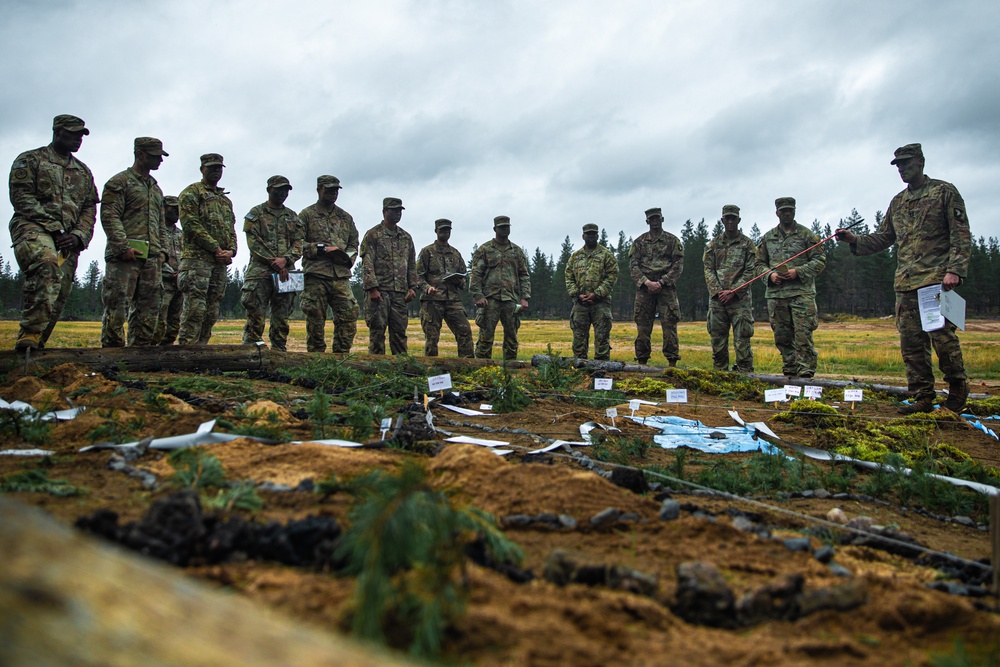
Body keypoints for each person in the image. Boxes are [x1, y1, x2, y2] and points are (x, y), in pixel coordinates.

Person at [836, 144, 971, 414]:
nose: (901, 168)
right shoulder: (897, 202)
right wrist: (855, 240)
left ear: (921, 162)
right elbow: (885, 237)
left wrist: (955, 269)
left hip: (936, 281)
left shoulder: (944, 192)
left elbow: (961, 233)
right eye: (897, 165)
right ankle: (922, 396)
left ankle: (957, 388)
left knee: (943, 340)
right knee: (911, 345)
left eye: (906, 162)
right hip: (906, 284)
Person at [8, 114, 99, 351]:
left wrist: (79, 235)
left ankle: (33, 349)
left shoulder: (83, 171)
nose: (78, 139)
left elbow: (89, 208)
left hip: (68, 240)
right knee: (46, 263)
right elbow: (21, 198)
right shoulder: (31, 160)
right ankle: (30, 331)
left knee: (58, 293)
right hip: (32, 227)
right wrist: (54, 228)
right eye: (73, 134)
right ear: (58, 132)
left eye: (81, 135)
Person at [99, 137, 169, 347]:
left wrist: (163, 252)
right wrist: (122, 247)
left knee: (149, 308)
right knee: (117, 304)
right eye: (155, 156)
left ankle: (139, 354)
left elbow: (160, 224)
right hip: (125, 257)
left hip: (152, 259)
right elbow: (110, 216)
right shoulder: (119, 182)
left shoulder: (155, 189)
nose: (160, 161)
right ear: (140, 154)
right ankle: (112, 354)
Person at [756, 197, 826, 379]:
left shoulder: (807, 235)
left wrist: (798, 272)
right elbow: (758, 264)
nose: (787, 213)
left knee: (803, 335)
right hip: (776, 296)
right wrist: (770, 275)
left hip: (801, 295)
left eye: (790, 210)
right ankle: (789, 371)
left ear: (794, 211)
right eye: (784, 211)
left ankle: (806, 374)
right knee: (782, 336)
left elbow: (820, 261)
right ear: (777, 213)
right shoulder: (768, 238)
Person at [176, 153, 237, 345]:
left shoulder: (225, 200)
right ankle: (187, 353)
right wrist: (215, 248)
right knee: (195, 309)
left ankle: (201, 352)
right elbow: (190, 224)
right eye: (211, 168)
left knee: (211, 312)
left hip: (219, 264)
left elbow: (231, 229)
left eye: (219, 168)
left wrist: (232, 251)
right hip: (197, 261)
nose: (216, 171)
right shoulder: (191, 193)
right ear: (202, 169)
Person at [240, 175, 303, 352]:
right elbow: (253, 242)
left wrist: (286, 260)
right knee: (255, 316)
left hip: (286, 275)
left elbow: (299, 243)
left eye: (285, 191)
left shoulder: (292, 216)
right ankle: (250, 355)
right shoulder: (256, 214)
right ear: (269, 190)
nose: (282, 194)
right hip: (260, 273)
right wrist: (275, 262)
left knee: (282, 318)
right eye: (278, 190)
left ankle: (278, 353)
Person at [299, 175, 359, 353]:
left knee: (349, 314)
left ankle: (340, 357)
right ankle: (316, 360)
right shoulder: (306, 215)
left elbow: (353, 243)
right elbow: (296, 243)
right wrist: (320, 249)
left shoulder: (345, 217)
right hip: (316, 275)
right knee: (315, 318)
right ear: (319, 190)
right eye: (329, 190)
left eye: (336, 190)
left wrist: (347, 258)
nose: (333, 194)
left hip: (340, 276)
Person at [704, 204, 758, 372]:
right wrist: (718, 292)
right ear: (722, 220)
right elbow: (708, 269)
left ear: (739, 220)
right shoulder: (713, 245)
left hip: (740, 301)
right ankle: (720, 374)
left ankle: (745, 374)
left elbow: (752, 269)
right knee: (717, 340)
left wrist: (734, 291)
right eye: (727, 218)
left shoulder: (747, 245)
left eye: (733, 218)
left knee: (742, 340)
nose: (730, 221)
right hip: (717, 301)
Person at [360, 197, 417, 355]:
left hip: (400, 294)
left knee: (399, 334)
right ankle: (377, 371)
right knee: (377, 333)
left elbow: (411, 264)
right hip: (380, 293)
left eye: (400, 210)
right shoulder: (373, 235)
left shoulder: (406, 237)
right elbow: (367, 263)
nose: (398, 213)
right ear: (385, 212)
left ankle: (401, 371)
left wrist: (412, 287)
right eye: (394, 210)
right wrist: (372, 288)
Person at [470, 216, 531, 360]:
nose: (505, 229)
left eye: (507, 227)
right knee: (485, 337)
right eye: (502, 227)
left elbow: (524, 275)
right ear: (495, 229)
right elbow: (476, 275)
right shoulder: (485, 250)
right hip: (490, 300)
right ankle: (481, 371)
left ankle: (510, 371)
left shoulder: (516, 251)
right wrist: (478, 296)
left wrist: (524, 298)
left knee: (512, 338)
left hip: (511, 300)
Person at [629, 207, 683, 366]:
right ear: (647, 221)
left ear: (662, 219)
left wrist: (662, 282)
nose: (655, 222)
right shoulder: (639, 242)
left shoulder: (673, 241)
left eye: (657, 218)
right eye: (652, 219)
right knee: (643, 328)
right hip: (645, 289)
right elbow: (633, 266)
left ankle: (672, 362)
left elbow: (678, 265)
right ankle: (642, 362)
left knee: (669, 326)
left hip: (665, 289)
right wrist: (647, 282)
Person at [415, 218, 474, 357]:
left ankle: (467, 368)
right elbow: (417, 276)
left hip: (453, 300)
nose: (445, 233)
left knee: (465, 332)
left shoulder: (455, 254)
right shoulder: (427, 252)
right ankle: (432, 370)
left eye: (448, 230)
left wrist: (459, 281)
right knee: (432, 337)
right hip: (432, 300)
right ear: (436, 231)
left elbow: (463, 279)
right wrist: (427, 288)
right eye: (442, 230)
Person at [564, 223, 618, 360]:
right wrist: (577, 294)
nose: (591, 236)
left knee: (602, 338)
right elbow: (568, 277)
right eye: (588, 234)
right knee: (579, 340)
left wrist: (597, 293)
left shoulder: (606, 255)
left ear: (597, 236)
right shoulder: (575, 257)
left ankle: (601, 371)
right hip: (580, 304)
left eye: (594, 234)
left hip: (600, 304)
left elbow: (612, 276)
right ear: (583, 236)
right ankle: (580, 370)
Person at [154, 196, 184, 345]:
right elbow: (156, 256)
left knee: (174, 324)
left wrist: (182, 273)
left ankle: (167, 353)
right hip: (162, 282)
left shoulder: (181, 234)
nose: (178, 212)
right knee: (158, 322)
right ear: (164, 209)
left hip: (179, 284)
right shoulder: (156, 231)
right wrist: (171, 273)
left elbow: (186, 256)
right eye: (174, 208)